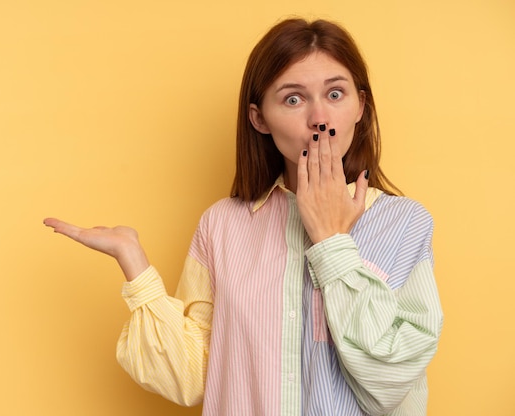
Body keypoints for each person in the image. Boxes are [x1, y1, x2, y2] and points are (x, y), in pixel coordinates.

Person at [44, 18, 443, 416]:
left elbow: (391, 379)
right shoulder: (222, 226)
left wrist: (331, 242)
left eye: (335, 94)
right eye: (293, 99)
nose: (319, 118)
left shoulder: (404, 224)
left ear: (361, 106)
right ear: (259, 118)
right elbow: (193, 375)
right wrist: (134, 262)